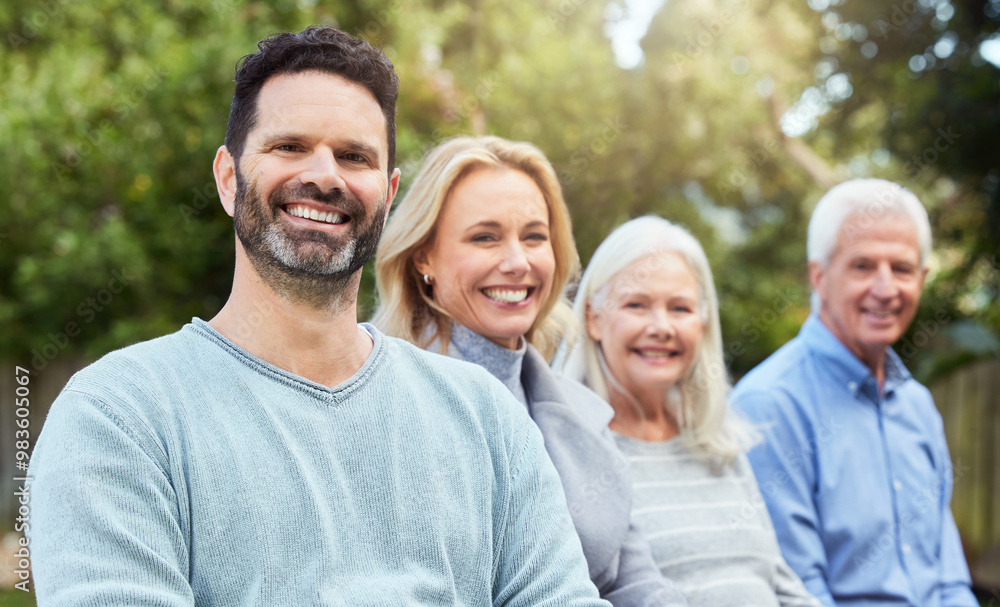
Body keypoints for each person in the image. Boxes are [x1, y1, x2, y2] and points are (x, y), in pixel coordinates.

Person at [27, 27, 609, 605]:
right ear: (229, 180)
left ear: (388, 191)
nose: (325, 176)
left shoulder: (487, 419)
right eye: (290, 147)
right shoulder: (118, 416)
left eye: (354, 156)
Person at [373, 136, 687, 607]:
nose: (518, 262)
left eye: (535, 237)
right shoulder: (382, 400)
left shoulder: (581, 412)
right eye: (485, 236)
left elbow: (636, 580)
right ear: (424, 257)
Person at [730, 179, 978, 606]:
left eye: (901, 269)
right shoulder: (768, 406)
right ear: (820, 277)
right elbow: (797, 592)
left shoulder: (918, 407)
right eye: (863, 266)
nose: (885, 289)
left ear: (921, 279)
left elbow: (951, 581)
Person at [556, 216, 821, 607]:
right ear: (593, 318)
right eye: (637, 305)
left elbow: (780, 583)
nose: (661, 326)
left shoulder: (719, 442)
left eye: (680, 308)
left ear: (702, 322)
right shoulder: (571, 453)